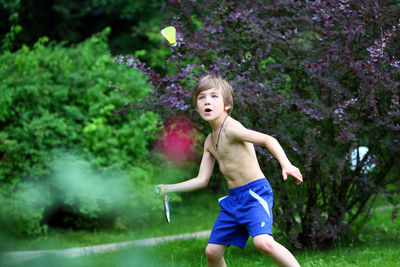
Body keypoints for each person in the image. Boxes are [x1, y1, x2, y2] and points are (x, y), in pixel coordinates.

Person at [155, 75, 303, 267]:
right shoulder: (209, 141)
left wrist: (287, 164)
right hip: (234, 200)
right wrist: (168, 188)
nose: (207, 101)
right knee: (212, 252)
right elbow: (202, 180)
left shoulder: (232, 129)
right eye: (202, 97)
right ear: (197, 106)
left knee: (263, 242)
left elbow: (268, 140)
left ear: (227, 106)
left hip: (254, 193)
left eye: (214, 96)